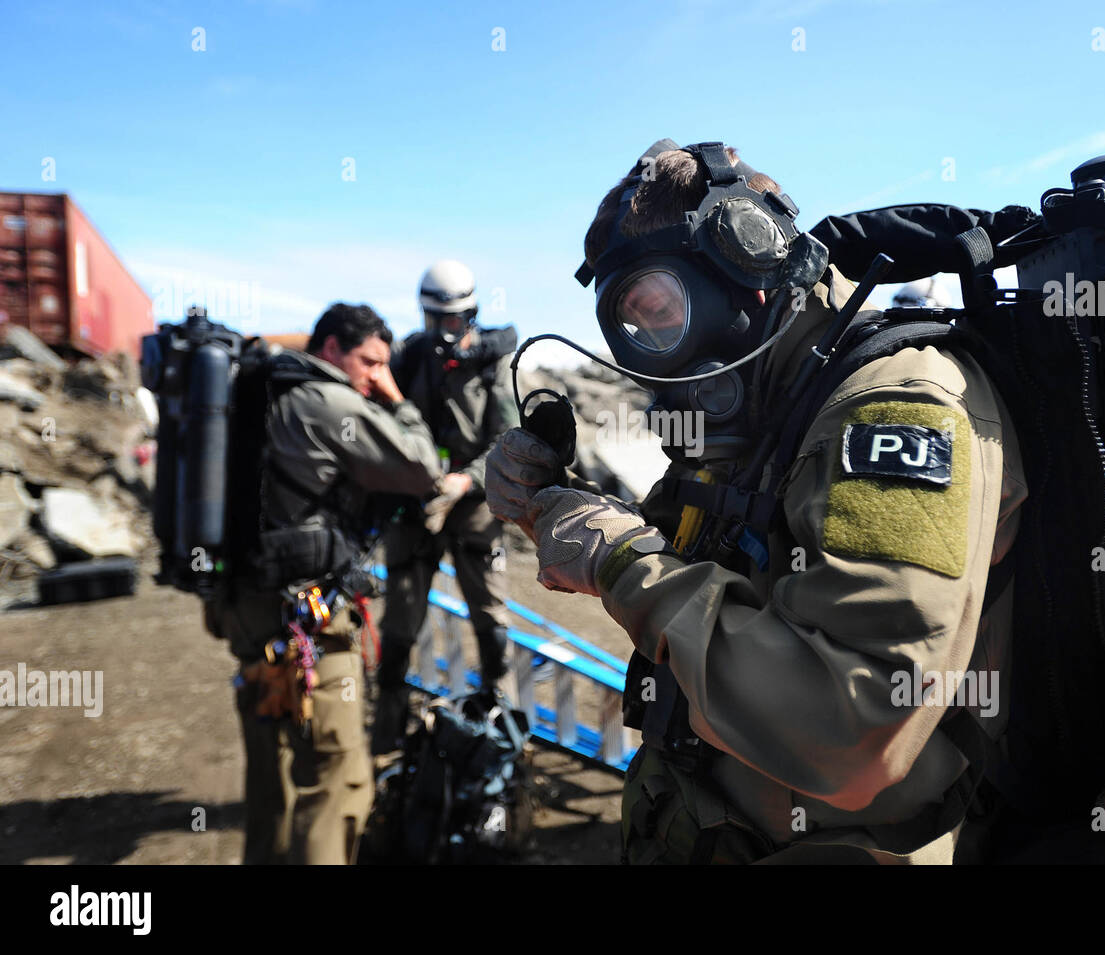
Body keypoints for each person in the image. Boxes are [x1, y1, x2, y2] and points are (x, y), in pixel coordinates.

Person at [486, 141, 1027, 864]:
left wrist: (618, 560)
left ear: (750, 259)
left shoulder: (895, 407)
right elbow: (703, 568)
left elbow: (853, 726)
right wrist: (556, 506)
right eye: (632, 326)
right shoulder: (777, 397)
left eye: (661, 311)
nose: (652, 350)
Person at [205, 302, 444, 864]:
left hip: (245, 605)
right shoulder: (326, 398)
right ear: (331, 349)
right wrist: (399, 399)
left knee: (272, 774)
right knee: (334, 774)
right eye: (368, 360)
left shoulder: (256, 391)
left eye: (383, 365)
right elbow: (421, 467)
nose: (373, 374)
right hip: (307, 619)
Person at [371, 260, 521, 755]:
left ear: (470, 314)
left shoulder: (492, 362)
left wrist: (466, 480)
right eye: (436, 321)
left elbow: (508, 439)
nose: (444, 333)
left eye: (454, 322)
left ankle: (502, 733)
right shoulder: (408, 359)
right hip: (415, 508)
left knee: (491, 615)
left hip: (474, 505)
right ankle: (387, 730)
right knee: (399, 620)